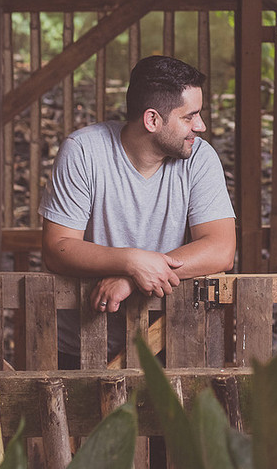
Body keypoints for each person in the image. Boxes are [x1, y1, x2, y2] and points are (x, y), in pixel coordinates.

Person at [41, 56, 235, 361]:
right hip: (80, 347)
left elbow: (221, 248)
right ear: (152, 120)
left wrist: (135, 275)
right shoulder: (83, 151)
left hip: (167, 341)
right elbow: (57, 249)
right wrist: (131, 261)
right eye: (190, 116)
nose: (201, 126)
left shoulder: (200, 157)